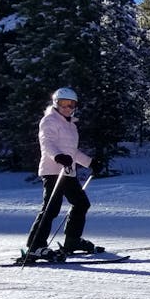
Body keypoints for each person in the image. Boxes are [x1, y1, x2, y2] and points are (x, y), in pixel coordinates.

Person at [21, 87, 101, 263]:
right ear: (55, 103)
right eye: (62, 103)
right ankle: (35, 246)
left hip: (68, 172)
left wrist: (90, 162)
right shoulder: (49, 120)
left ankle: (72, 241)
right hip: (52, 171)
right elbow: (46, 143)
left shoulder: (71, 125)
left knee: (81, 203)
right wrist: (57, 156)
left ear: (75, 106)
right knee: (51, 207)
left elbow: (72, 152)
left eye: (70, 104)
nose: (66, 107)